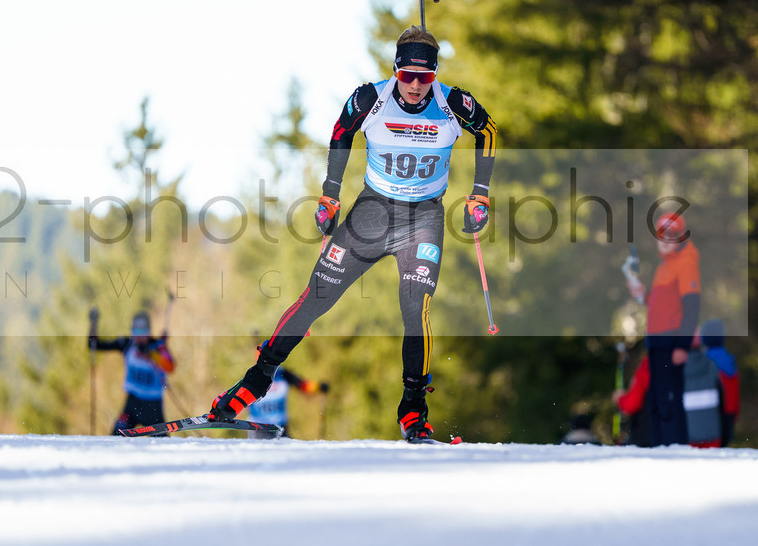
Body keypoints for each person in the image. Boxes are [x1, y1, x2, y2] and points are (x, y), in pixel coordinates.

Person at [210, 25, 498, 442]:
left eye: (426, 77)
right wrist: (329, 196)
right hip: (372, 214)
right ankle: (256, 381)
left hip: (423, 219)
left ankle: (414, 409)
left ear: (435, 76)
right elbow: (341, 133)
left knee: (415, 309)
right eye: (408, 76)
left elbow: (487, 131)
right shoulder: (370, 98)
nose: (416, 86)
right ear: (395, 71)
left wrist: (480, 195)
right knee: (315, 299)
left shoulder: (454, 102)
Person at [625, 212, 700, 446]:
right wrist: (643, 295)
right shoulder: (664, 266)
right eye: (662, 234)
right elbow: (663, 305)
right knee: (657, 399)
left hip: (671, 341)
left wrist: (683, 346)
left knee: (670, 398)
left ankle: (674, 447)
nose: (666, 239)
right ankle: (659, 447)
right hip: (656, 341)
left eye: (672, 234)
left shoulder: (686, 264)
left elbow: (692, 307)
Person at [88, 309, 176, 434]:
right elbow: (94, 345)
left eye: (143, 331)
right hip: (132, 404)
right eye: (135, 331)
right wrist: (93, 323)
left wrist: (153, 356)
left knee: (162, 442)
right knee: (116, 436)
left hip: (153, 406)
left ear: (149, 331)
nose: (139, 336)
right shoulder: (128, 344)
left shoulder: (157, 345)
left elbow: (171, 367)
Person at [246, 358, 329, 439]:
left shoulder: (283, 374)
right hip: (258, 429)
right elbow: (240, 401)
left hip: (280, 427)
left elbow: (303, 385)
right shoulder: (252, 377)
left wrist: (318, 387)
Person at [699, 318, 739, 447]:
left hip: (709, 415)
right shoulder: (730, 361)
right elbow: (735, 392)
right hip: (729, 414)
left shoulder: (703, 363)